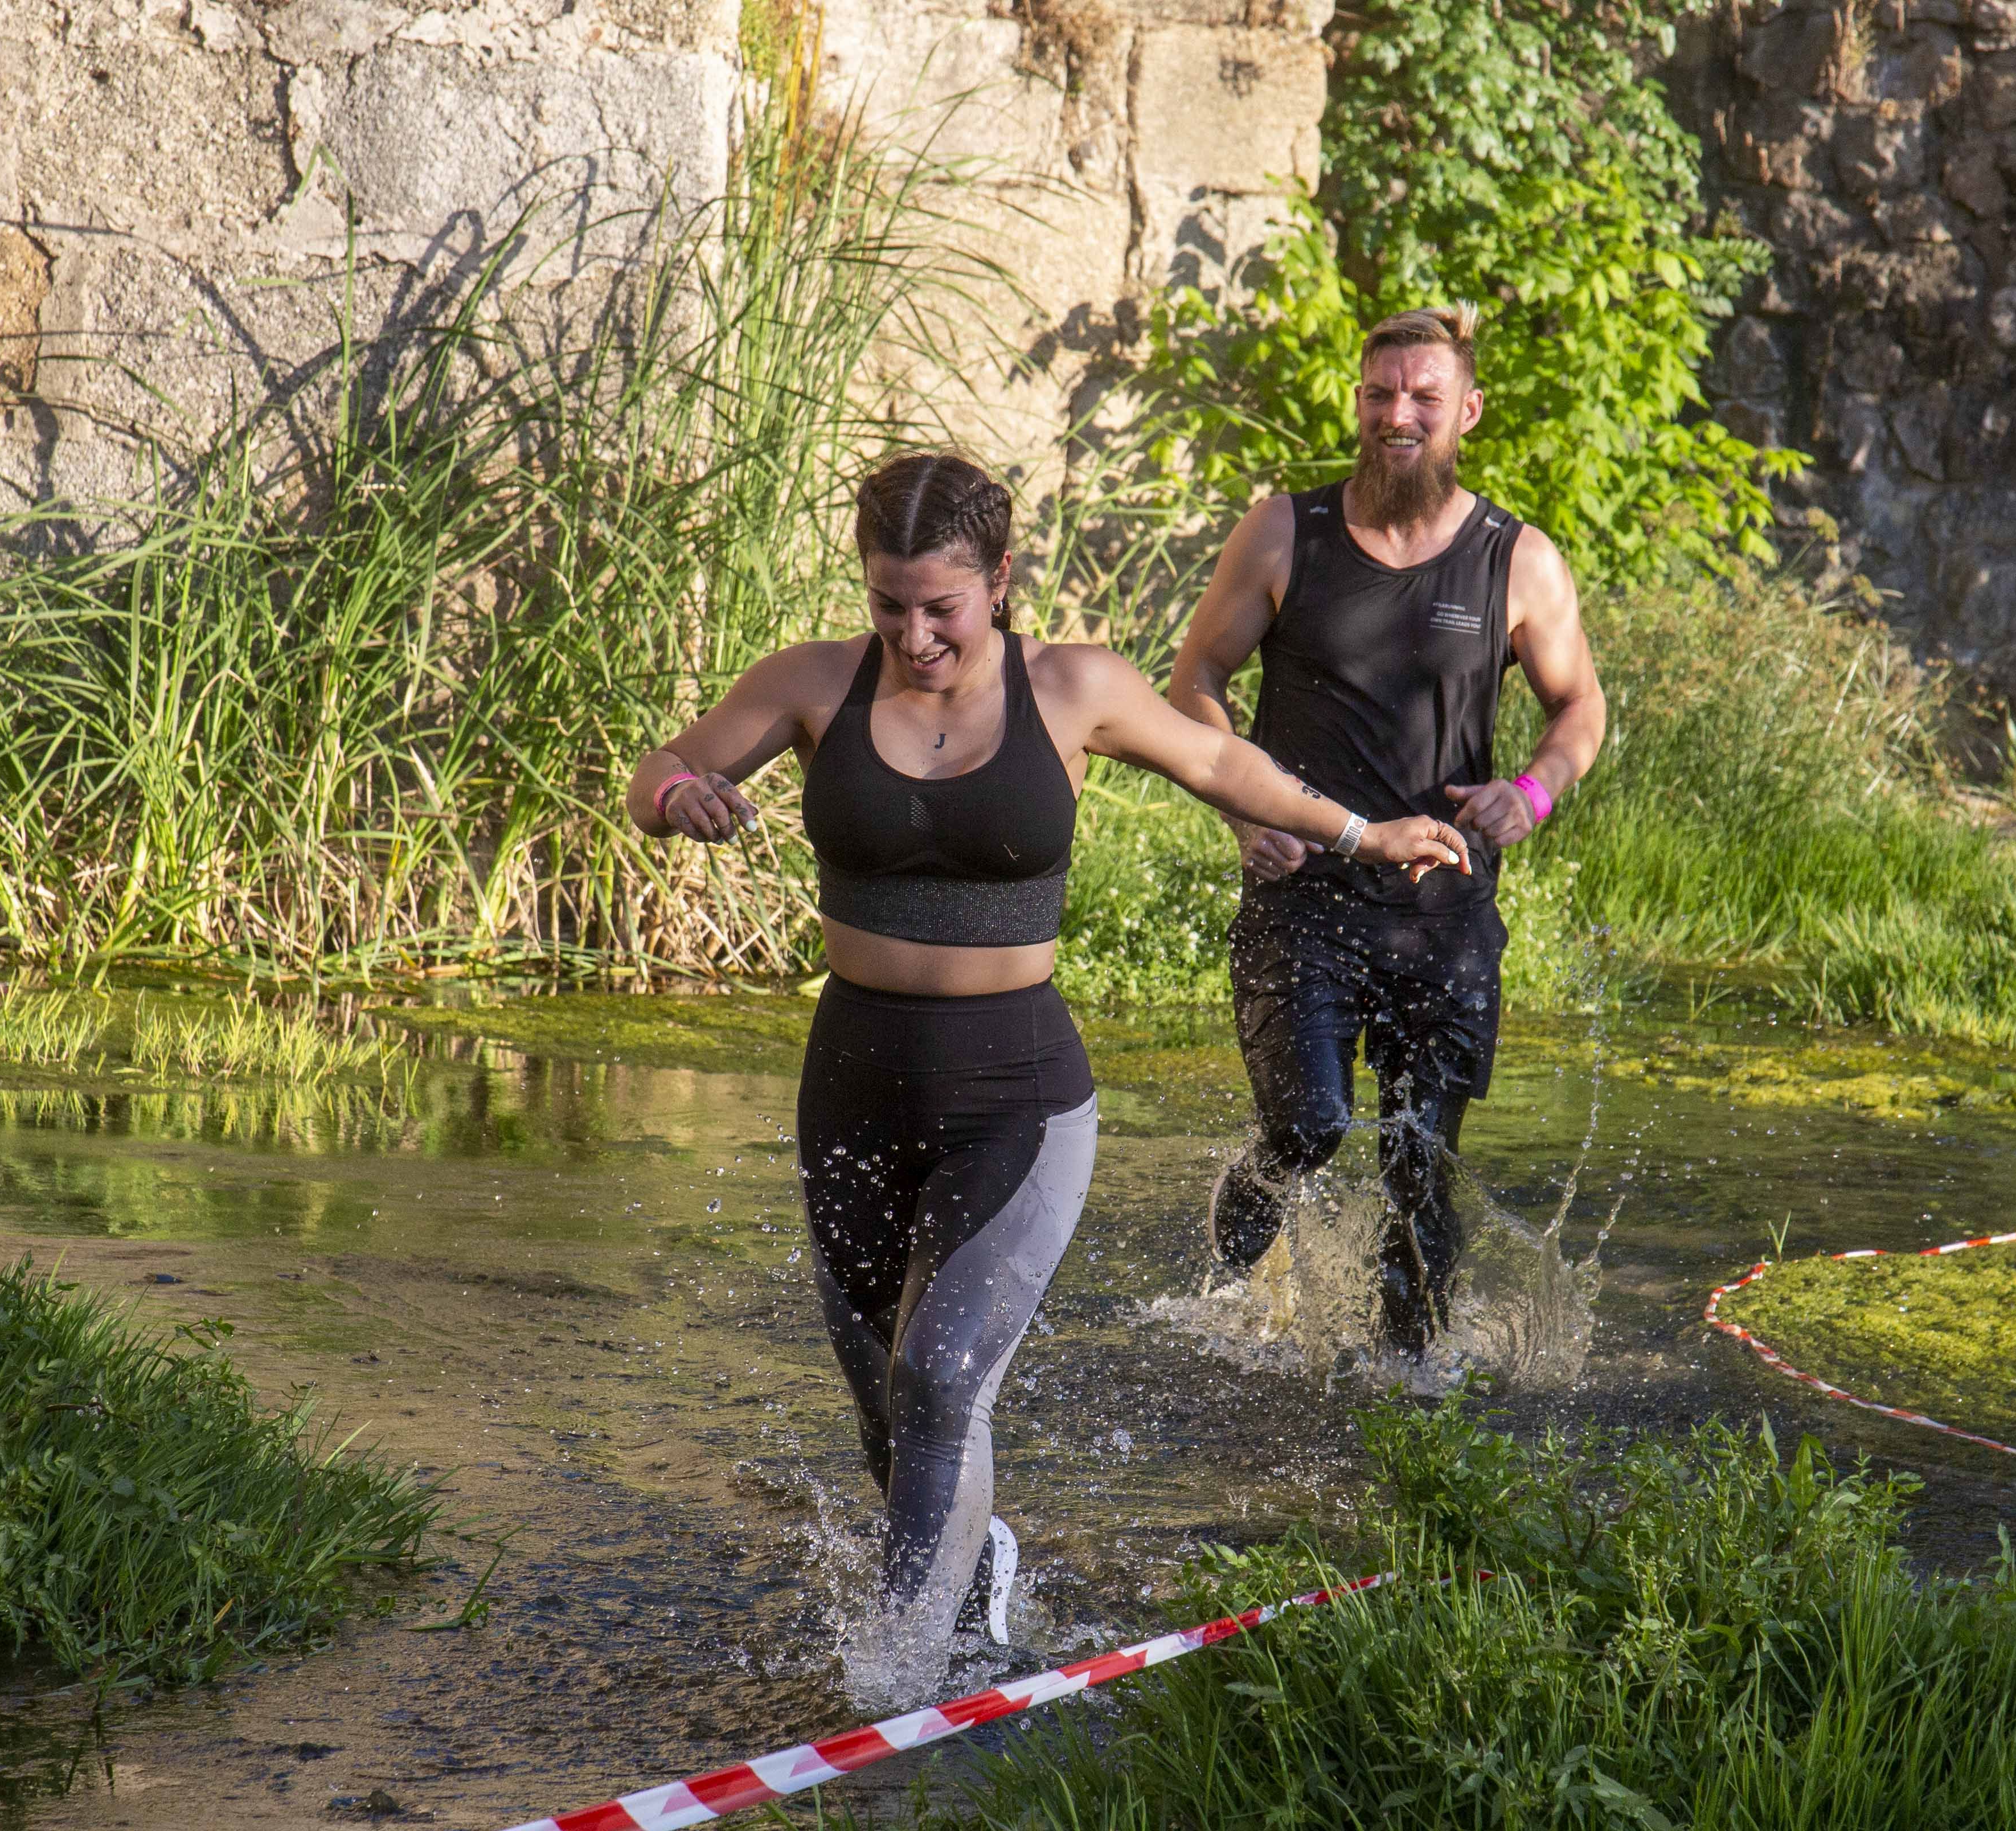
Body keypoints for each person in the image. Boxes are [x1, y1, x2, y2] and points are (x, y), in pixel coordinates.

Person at [626, 453, 1471, 1692]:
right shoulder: (813, 684)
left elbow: (1223, 767)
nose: (915, 636)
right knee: (884, 1406)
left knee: (940, 1379)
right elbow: (659, 771)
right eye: (888, 607)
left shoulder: (1074, 687)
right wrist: (684, 796)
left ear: (1001, 580)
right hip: (852, 1086)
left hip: (1016, 1096)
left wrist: (1363, 831)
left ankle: (897, 1686)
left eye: (942, 609)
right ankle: (980, 1569)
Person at [1169, 306, 1608, 1357]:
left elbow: (1580, 708)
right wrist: (1240, 805)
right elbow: (1193, 682)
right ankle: (1221, 1311)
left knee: (1422, 1166)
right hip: (1302, 899)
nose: (1396, 415)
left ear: (1467, 410)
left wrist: (1533, 794)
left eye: (1421, 396)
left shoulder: (1518, 559)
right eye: (1379, 395)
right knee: (1308, 1132)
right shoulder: (1285, 534)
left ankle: (1408, 1390)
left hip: (1443, 913)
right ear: (1359, 403)